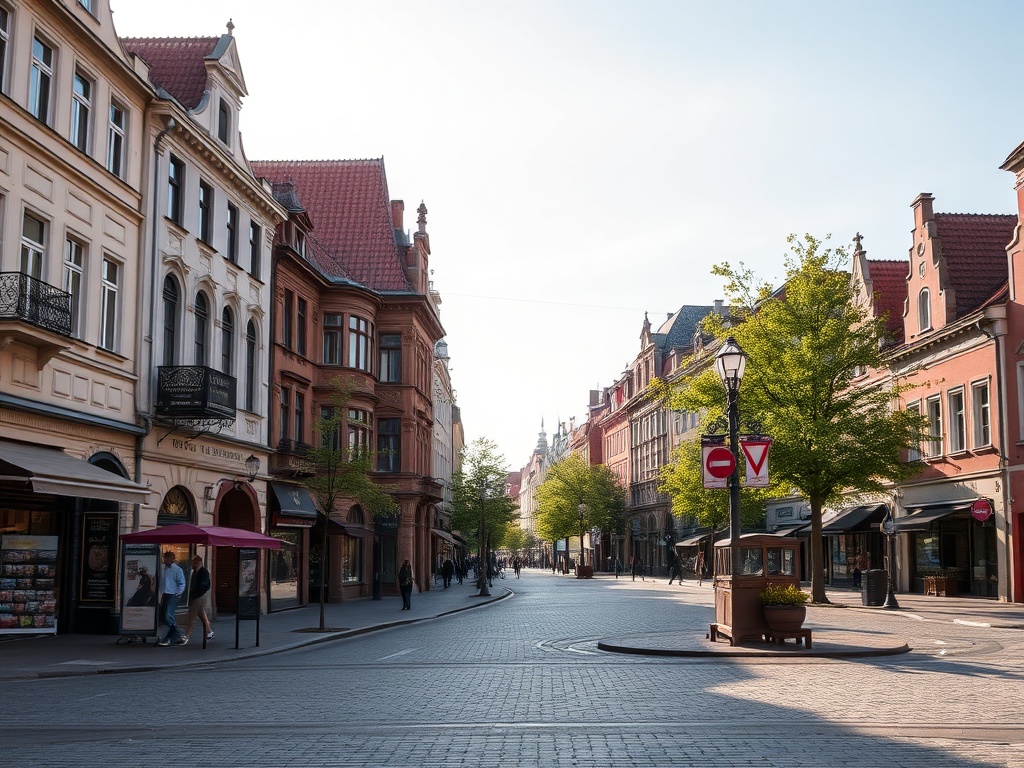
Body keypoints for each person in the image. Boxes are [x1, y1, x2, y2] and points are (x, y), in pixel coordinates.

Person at [156, 551, 186, 646]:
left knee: (168, 616)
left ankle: (175, 637)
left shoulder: (177, 570)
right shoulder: (162, 568)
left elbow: (181, 583)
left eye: (168, 558)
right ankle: (173, 638)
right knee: (166, 618)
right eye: (165, 557)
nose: (166, 560)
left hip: (172, 595)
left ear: (172, 558)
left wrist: (178, 594)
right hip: (164, 595)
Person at [183, 555, 213, 642]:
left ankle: (187, 635)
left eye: (194, 563)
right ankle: (209, 631)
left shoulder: (203, 572)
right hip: (195, 596)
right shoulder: (195, 572)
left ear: (199, 563)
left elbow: (205, 586)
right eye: (192, 563)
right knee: (201, 615)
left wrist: (197, 593)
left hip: (199, 596)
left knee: (191, 616)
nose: (192, 565)